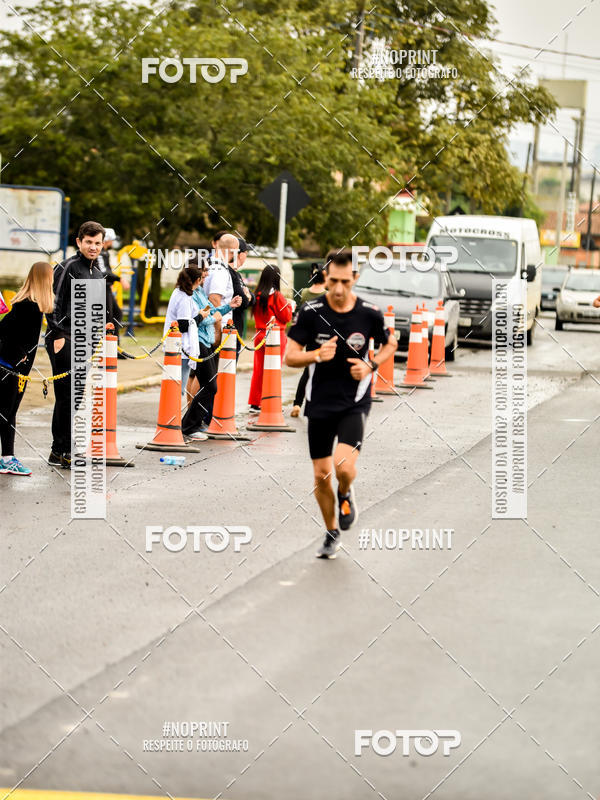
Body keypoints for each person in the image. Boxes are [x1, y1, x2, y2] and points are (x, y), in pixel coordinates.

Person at [284, 251, 398, 559]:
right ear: (325, 277)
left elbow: (391, 343)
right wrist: (315, 355)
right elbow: (290, 356)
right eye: (332, 281)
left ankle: (346, 493)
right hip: (318, 402)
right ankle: (331, 532)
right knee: (321, 475)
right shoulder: (311, 311)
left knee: (343, 466)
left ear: (354, 280)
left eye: (345, 282)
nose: (337, 289)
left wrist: (371, 365)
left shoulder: (369, 313)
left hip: (354, 402)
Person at [45, 220, 109, 469]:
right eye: (89, 242)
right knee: (67, 395)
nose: (93, 247)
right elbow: (53, 303)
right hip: (65, 338)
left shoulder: (97, 271)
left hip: (86, 341)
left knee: (74, 396)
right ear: (79, 242)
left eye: (97, 243)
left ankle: (57, 450)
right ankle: (67, 451)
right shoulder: (68, 266)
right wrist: (58, 334)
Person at [0, 262, 54, 476]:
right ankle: (8, 459)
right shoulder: (27, 305)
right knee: (6, 413)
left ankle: (7, 458)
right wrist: (19, 352)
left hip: (17, 368)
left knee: (8, 413)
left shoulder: (34, 305)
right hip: (9, 367)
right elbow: (4, 330)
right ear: (43, 279)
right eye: (51, 277)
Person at [181, 260, 242, 438]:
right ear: (196, 273)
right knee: (210, 386)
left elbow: (210, 312)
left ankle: (189, 424)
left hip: (204, 342)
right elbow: (199, 319)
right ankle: (189, 426)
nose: (208, 274)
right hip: (197, 342)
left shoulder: (199, 292)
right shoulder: (189, 294)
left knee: (208, 385)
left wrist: (228, 306)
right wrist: (213, 317)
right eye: (205, 271)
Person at [248, 265, 294, 411]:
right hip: (275, 336)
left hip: (259, 334)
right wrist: (290, 306)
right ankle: (270, 401)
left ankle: (255, 402)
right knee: (273, 371)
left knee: (259, 369)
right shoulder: (277, 296)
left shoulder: (258, 294)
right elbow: (286, 317)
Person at [163, 266, 210, 400]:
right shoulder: (184, 297)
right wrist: (201, 316)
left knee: (175, 384)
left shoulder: (179, 292)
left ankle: (173, 416)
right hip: (181, 347)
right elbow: (183, 325)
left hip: (176, 345)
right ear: (197, 280)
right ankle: (174, 418)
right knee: (178, 386)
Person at [290, 264, 327, 418]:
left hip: (310, 334)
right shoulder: (326, 295)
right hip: (324, 334)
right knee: (325, 370)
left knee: (308, 371)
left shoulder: (305, 293)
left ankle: (297, 403)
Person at [96, 227, 129, 351]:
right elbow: (104, 272)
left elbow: (106, 271)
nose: (112, 243)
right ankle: (109, 350)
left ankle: (114, 348)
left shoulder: (105, 253)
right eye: (111, 240)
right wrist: (120, 279)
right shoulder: (100, 253)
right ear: (107, 240)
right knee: (109, 318)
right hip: (102, 289)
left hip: (106, 288)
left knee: (115, 315)